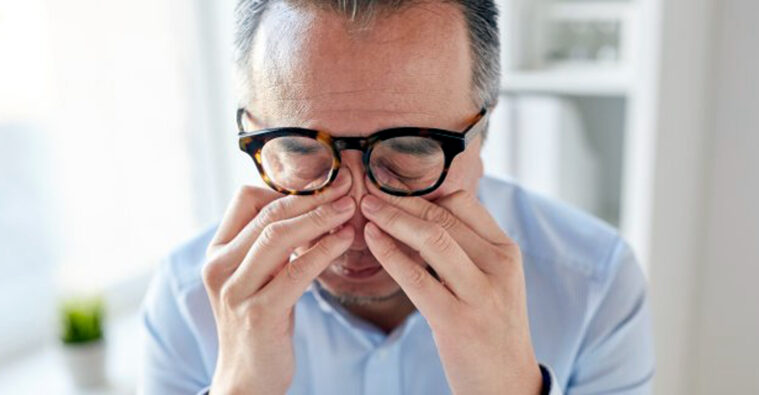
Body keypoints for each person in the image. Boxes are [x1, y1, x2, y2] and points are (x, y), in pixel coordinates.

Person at [140, 0, 654, 393]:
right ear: (252, 131)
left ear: (484, 133)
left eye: (410, 151)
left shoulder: (596, 287)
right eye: (302, 150)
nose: (357, 215)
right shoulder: (186, 305)